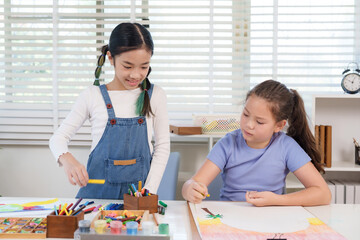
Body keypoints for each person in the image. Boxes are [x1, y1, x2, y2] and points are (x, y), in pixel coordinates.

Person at [49, 22, 170, 199]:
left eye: (144, 67)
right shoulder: (92, 96)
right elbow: (57, 139)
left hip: (138, 199)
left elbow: (162, 147)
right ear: (111, 58)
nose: (136, 75)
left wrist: (149, 191)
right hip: (96, 199)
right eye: (127, 66)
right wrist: (68, 160)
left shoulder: (156, 95)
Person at [182, 80, 331, 206]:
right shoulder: (228, 143)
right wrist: (189, 189)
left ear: (279, 126)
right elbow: (194, 183)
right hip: (230, 218)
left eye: (259, 122)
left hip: (271, 220)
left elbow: (323, 194)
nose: (249, 124)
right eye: (245, 114)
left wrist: (277, 200)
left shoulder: (286, 146)